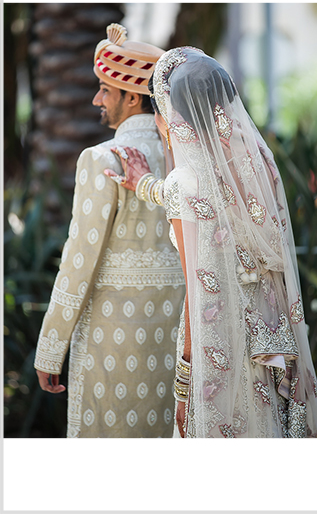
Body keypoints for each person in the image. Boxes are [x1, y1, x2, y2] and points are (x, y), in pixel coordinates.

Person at [106, 46, 317, 437]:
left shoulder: (184, 183)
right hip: (269, 334)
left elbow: (196, 290)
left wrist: (185, 379)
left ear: (170, 118)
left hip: (217, 343)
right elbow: (207, 203)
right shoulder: (254, 167)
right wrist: (147, 186)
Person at [33, 24, 185, 437]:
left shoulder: (102, 158)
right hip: (172, 337)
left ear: (132, 96)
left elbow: (78, 260)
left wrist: (50, 350)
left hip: (109, 341)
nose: (96, 99)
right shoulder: (184, 158)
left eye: (105, 89)